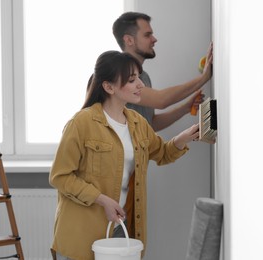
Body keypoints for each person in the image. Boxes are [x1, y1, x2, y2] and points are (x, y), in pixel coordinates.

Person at [49, 50, 200, 260]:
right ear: (109, 87)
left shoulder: (138, 123)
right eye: (132, 79)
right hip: (83, 231)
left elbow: (162, 154)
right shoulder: (81, 123)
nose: (140, 84)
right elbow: (60, 176)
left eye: (138, 77)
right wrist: (102, 200)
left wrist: (183, 137)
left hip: (122, 226)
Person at [109, 12, 213, 131]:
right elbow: (161, 100)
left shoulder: (144, 77)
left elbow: (151, 124)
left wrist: (186, 108)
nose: (154, 39)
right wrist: (204, 78)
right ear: (129, 40)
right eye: (147, 35)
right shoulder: (119, 76)